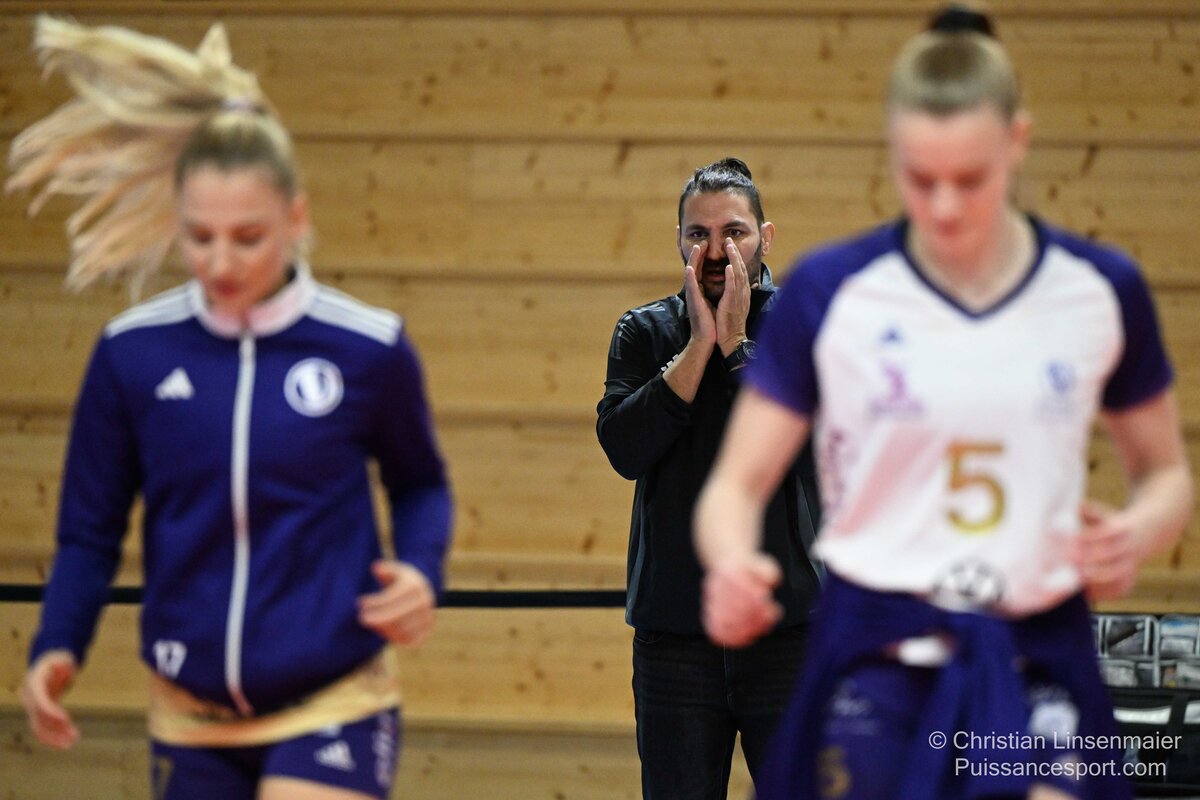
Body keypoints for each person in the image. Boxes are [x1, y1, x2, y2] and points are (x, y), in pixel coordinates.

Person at [694, 7, 1193, 800]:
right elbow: (735, 485)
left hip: (1036, 651)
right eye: (921, 180)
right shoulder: (833, 292)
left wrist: (1139, 530)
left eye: (971, 179)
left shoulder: (1099, 289)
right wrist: (731, 564)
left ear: (1017, 143)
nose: (946, 206)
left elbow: (1165, 473)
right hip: (875, 651)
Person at [8, 17, 452, 800]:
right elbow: (88, 529)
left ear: (296, 219)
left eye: (247, 237)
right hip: (190, 713)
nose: (220, 262)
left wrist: (420, 570)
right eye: (199, 237)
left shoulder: (368, 347)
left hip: (335, 700)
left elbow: (421, 484)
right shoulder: (131, 354)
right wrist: (57, 643)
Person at [596, 158, 822, 799]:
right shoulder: (643, 331)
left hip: (790, 636)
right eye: (699, 234)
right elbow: (625, 450)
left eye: (735, 232)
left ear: (765, 237)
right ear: (679, 241)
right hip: (675, 641)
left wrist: (737, 346)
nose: (717, 251)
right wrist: (698, 345)